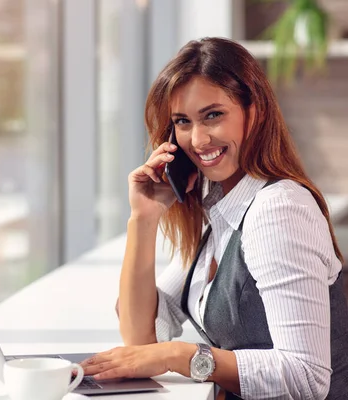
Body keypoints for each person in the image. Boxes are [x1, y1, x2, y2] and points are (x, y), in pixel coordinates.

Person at [79, 37, 348, 399]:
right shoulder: (219, 208)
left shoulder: (278, 211)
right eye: (183, 122)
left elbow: (307, 377)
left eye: (213, 115)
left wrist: (180, 356)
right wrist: (143, 218)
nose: (199, 139)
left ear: (254, 113)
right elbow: (140, 339)